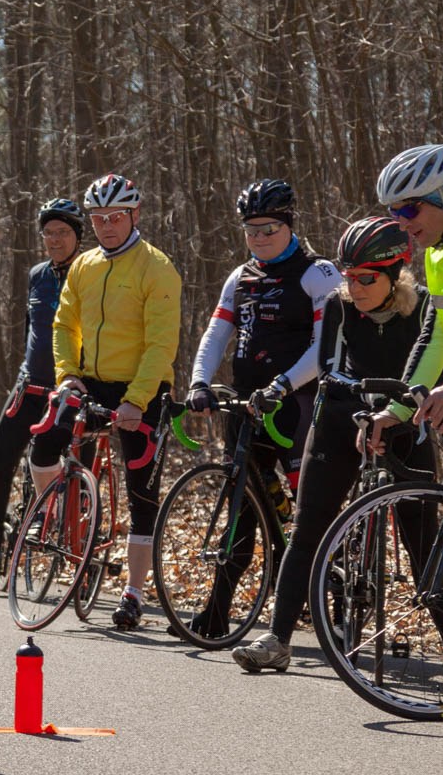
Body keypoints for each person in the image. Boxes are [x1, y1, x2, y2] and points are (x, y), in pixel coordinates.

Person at [231, 216, 443, 674]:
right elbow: (329, 367)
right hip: (340, 417)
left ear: (396, 274)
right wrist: (366, 398)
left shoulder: (426, 306)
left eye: (367, 278)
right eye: (349, 276)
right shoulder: (339, 304)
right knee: (310, 526)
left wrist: (401, 406)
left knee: (423, 536)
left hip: (404, 422)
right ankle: (277, 638)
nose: (355, 287)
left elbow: (437, 365)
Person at [183, 179, 341, 637]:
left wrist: (284, 383)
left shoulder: (319, 273)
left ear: (289, 224)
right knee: (242, 511)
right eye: (250, 229)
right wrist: (199, 380)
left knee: (311, 509)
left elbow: (326, 345)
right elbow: (216, 335)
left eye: (268, 228)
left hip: (298, 402)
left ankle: (336, 602)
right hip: (247, 407)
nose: (258, 237)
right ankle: (217, 613)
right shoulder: (241, 276)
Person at [28, 173, 181, 630]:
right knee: (42, 447)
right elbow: (63, 326)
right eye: (98, 218)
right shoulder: (85, 265)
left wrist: (136, 401)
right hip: (89, 381)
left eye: (115, 217)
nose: (106, 225)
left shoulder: (157, 267)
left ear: (135, 215)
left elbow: (160, 344)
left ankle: (133, 592)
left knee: (141, 491)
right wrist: (68, 376)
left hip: (144, 387)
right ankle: (60, 516)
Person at [0, 198, 84, 572]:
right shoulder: (37, 274)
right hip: (31, 383)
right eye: (49, 233)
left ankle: (73, 538)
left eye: (63, 233)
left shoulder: (89, 274)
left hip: (70, 386)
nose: (55, 240)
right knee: (0, 457)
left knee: (69, 460)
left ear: (78, 236)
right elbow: (31, 331)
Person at [367, 143, 443, 451]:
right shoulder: (438, 254)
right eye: (394, 212)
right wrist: (399, 409)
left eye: (409, 209)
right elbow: (437, 337)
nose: (401, 223)